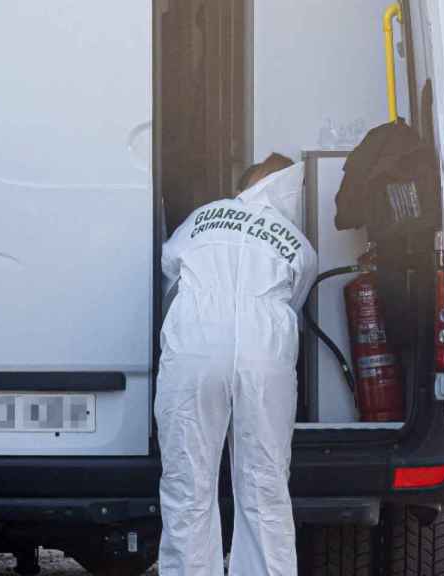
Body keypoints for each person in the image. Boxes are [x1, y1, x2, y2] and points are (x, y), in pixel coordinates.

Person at [155, 153, 316, 576]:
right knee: (264, 484)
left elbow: (168, 268)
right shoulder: (298, 240)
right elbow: (298, 297)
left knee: (188, 482)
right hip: (264, 351)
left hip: (194, 345)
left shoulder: (202, 218)